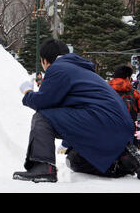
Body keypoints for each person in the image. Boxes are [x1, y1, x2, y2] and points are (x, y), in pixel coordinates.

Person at [13, 39, 140, 183]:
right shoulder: (83, 70)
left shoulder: (58, 68)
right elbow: (70, 114)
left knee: (42, 116)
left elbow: (43, 103)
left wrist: (27, 91)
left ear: (45, 61)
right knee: (75, 159)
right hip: (120, 127)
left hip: (99, 120)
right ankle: (121, 161)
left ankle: (43, 167)